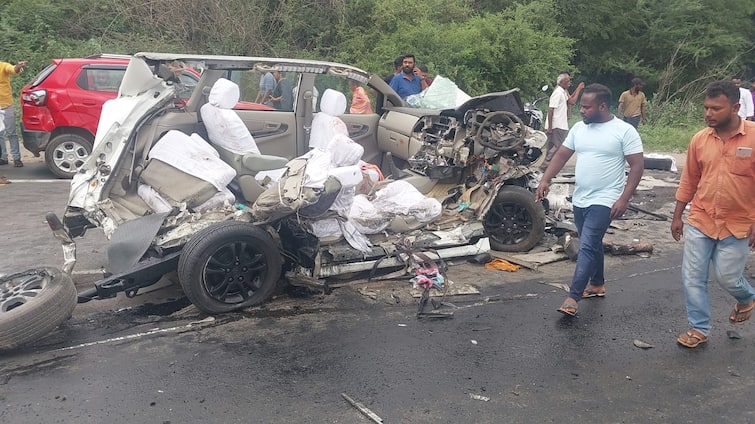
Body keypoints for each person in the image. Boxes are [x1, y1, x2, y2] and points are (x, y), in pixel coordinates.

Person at [535, 83, 644, 317]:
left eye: (586, 107)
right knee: (590, 242)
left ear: (602, 106)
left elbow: (637, 167)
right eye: (581, 107)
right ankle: (597, 284)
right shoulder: (578, 129)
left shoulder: (624, 131)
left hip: (606, 199)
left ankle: (573, 297)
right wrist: (545, 179)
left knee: (586, 244)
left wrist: (624, 198)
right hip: (581, 197)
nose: (581, 111)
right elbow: (562, 155)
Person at [671, 80, 755, 348]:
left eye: (716, 108)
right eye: (706, 108)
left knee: (728, 277)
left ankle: (746, 297)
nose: (708, 114)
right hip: (701, 218)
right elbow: (689, 180)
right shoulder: (699, 139)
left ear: (735, 107)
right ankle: (699, 328)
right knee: (692, 277)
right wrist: (677, 216)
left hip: (738, 223)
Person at [539, 72, 585, 171]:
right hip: (557, 125)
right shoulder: (558, 93)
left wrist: (578, 89)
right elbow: (551, 109)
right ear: (561, 82)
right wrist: (550, 127)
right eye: (567, 81)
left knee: (552, 148)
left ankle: (547, 168)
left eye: (569, 81)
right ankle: (544, 167)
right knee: (557, 147)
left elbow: (571, 101)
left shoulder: (563, 91)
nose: (569, 83)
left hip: (559, 124)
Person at [0, 60, 28, 167]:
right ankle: (3, 157)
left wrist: (19, 66)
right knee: (0, 134)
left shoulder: (3, 66)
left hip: (6, 105)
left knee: (11, 132)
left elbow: (13, 69)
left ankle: (16, 158)